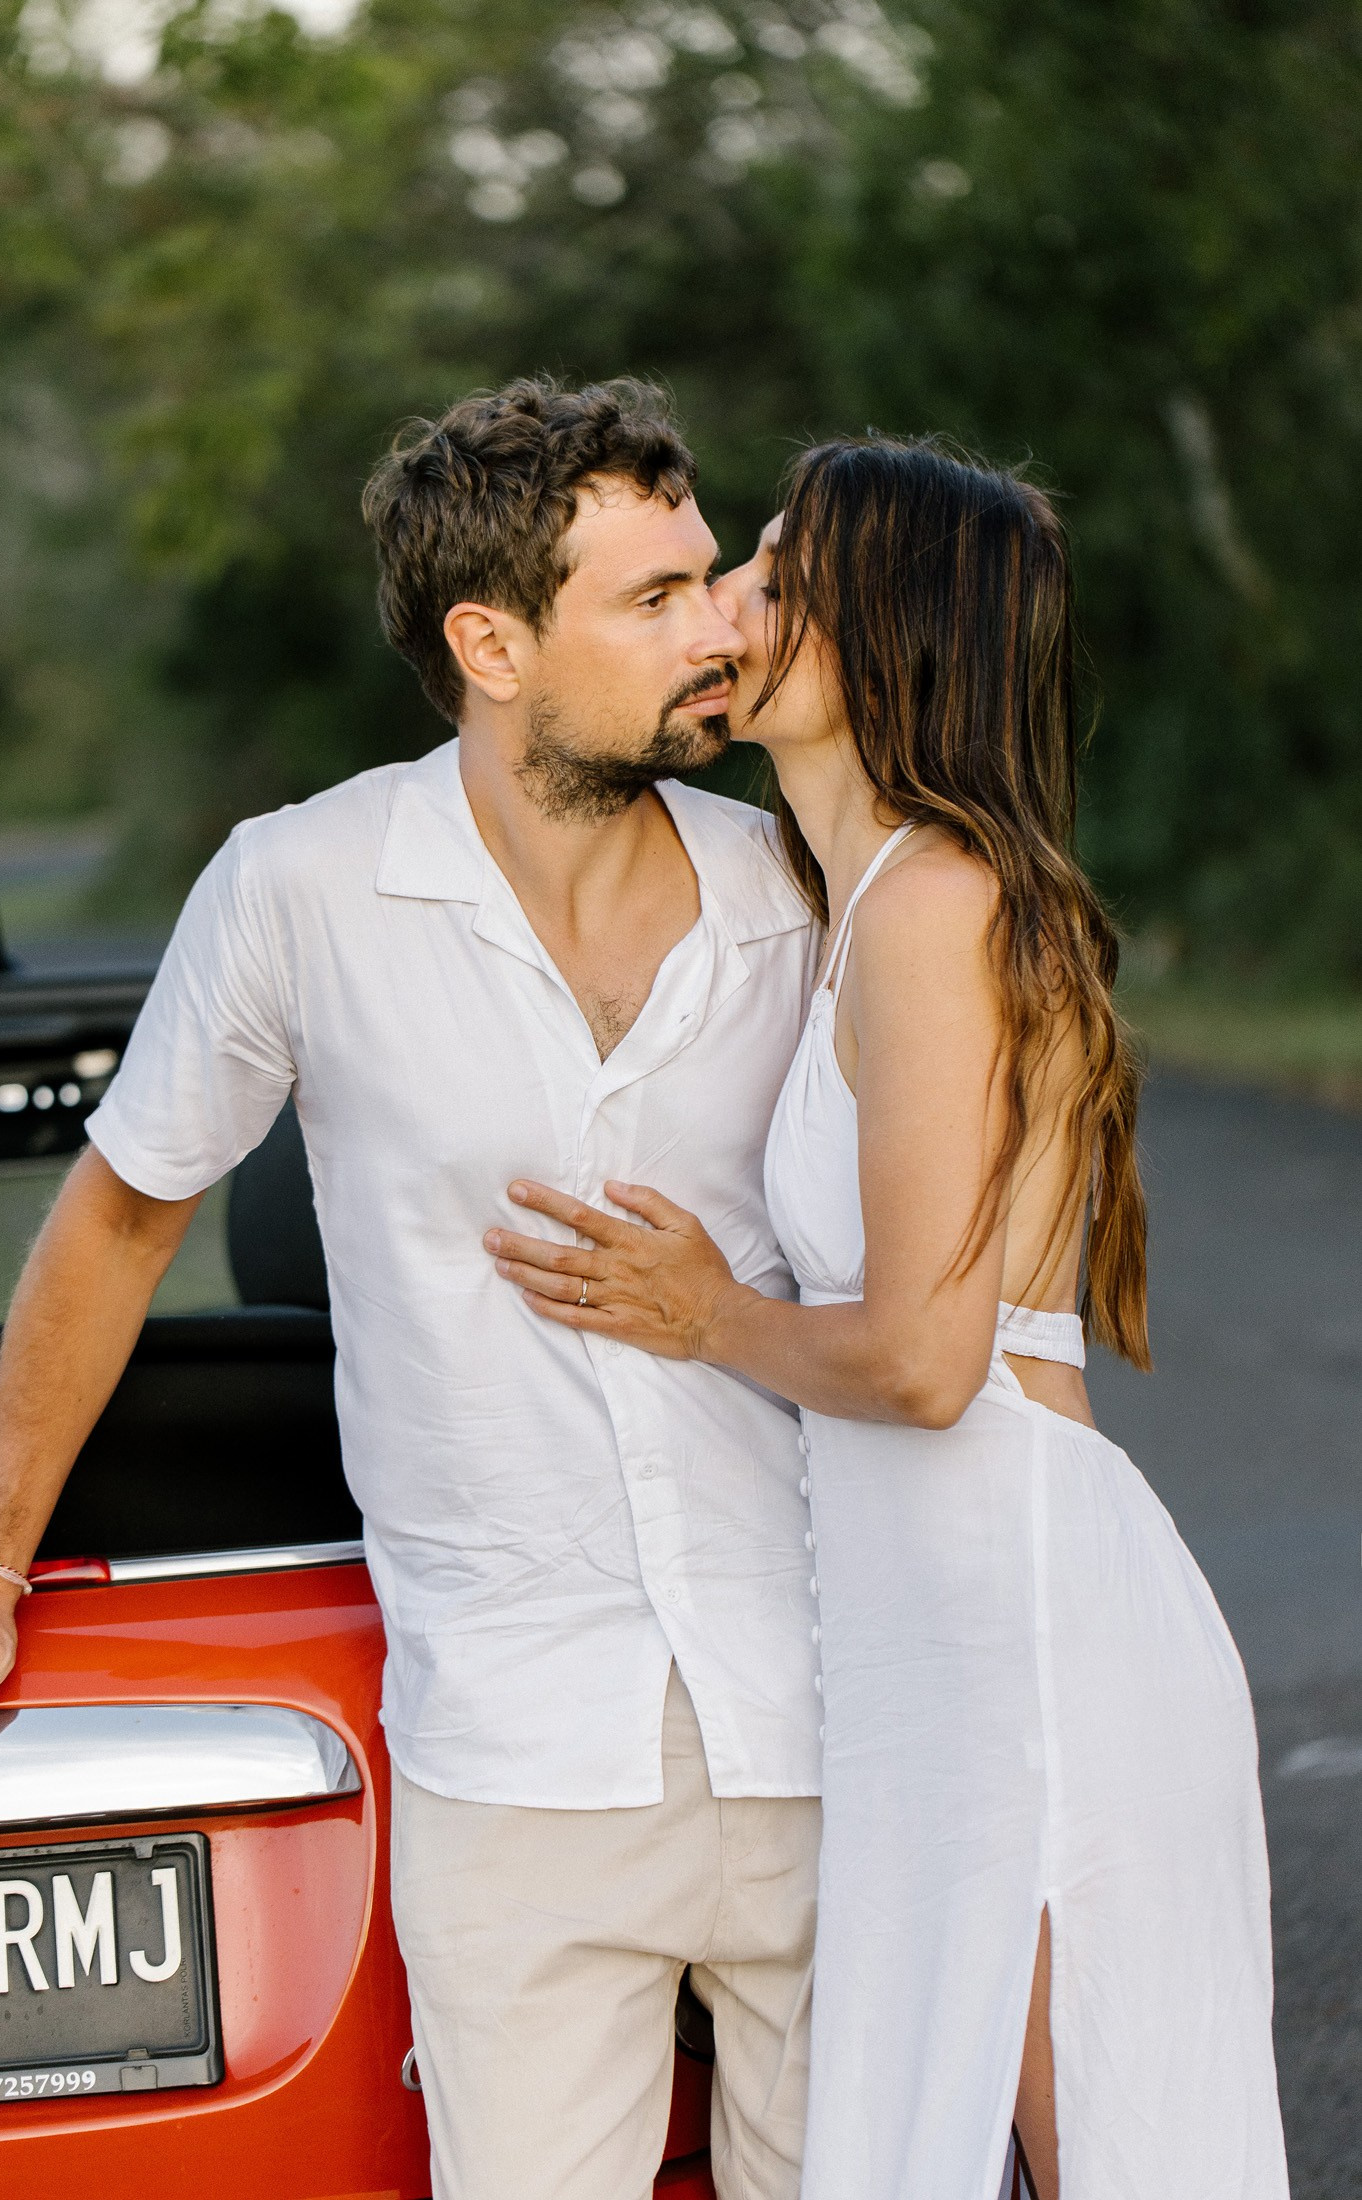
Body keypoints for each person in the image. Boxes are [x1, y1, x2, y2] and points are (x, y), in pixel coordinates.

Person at [0, 378, 825, 2200]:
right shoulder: (300, 887)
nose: (715, 631)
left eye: (706, 579)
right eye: (654, 598)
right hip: (515, 1753)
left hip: (822, 1707)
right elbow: (118, 1220)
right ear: (492, 645)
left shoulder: (793, 878)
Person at [485, 436, 1292, 2198]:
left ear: (883, 632)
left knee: (1107, 2161)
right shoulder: (864, 905)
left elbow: (927, 1363)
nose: (725, 603)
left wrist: (703, 1316)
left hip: (1018, 1615)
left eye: (775, 578)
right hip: (939, 1618)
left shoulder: (935, 903)